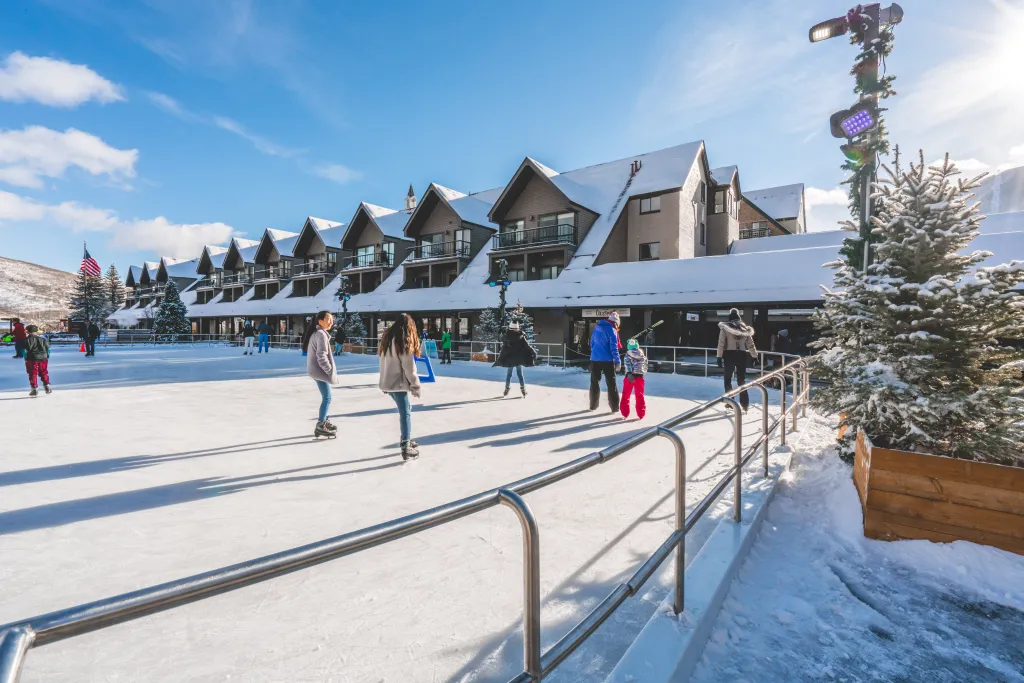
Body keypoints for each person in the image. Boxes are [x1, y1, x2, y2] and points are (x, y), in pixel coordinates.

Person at [378, 313, 422, 460]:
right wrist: (416, 386)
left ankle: (407, 438)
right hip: (399, 383)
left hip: (388, 383)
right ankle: (406, 445)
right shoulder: (404, 341)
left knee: (406, 409)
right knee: (405, 413)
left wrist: (384, 383)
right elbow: (409, 368)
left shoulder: (387, 339)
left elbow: (383, 362)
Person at [717, 308, 758, 412]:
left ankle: (730, 402)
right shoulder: (744, 328)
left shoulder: (725, 327)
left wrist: (719, 356)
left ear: (730, 316)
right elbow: (750, 344)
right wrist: (754, 356)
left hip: (729, 355)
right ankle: (745, 404)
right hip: (742, 355)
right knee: (741, 380)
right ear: (739, 316)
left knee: (727, 380)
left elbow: (721, 343)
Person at [306, 310, 339, 438]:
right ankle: (321, 423)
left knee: (327, 397)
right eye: (328, 319)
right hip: (319, 370)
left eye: (332, 319)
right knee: (327, 398)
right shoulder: (321, 334)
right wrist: (329, 370)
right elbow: (321, 355)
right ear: (320, 321)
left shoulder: (318, 333)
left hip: (315, 370)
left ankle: (324, 420)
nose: (331, 322)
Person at [493, 321, 537, 397]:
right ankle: (523, 390)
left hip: (510, 359)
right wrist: (533, 352)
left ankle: (506, 389)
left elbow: (503, 348)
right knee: (520, 374)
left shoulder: (506, 336)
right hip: (519, 359)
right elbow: (527, 346)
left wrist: (501, 357)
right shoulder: (520, 336)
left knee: (509, 374)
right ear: (517, 328)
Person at [589, 313, 621, 412]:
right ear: (616, 322)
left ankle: (593, 406)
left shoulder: (597, 327)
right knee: (611, 384)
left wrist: (596, 352)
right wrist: (618, 361)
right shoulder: (612, 330)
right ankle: (614, 408)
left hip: (595, 359)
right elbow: (614, 348)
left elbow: (592, 343)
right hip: (607, 360)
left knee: (594, 383)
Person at [620, 338, 648, 419]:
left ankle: (625, 413)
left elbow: (627, 364)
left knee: (626, 395)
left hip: (629, 377)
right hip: (640, 377)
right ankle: (641, 414)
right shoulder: (642, 355)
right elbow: (645, 366)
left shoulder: (628, 354)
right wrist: (642, 372)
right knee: (640, 396)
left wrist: (629, 373)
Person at [23, 325, 51, 397]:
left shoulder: (26, 340)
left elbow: (23, 349)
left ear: (28, 332)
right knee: (44, 372)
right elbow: (48, 348)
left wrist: (25, 357)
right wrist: (47, 356)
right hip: (43, 358)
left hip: (32, 358)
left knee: (33, 373)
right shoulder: (43, 339)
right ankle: (47, 385)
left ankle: (34, 388)